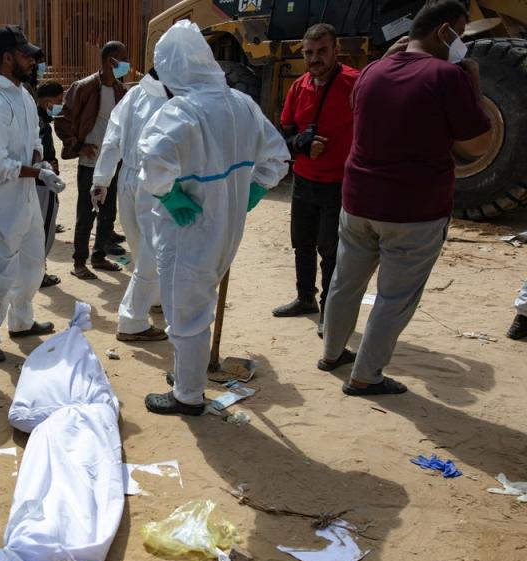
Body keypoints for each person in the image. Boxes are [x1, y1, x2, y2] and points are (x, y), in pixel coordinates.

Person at [319, 0, 492, 396]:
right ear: (444, 31)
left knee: (345, 283)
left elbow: (358, 110)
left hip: (358, 200)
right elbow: (479, 144)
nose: (461, 44)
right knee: (394, 298)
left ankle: (332, 354)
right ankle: (365, 376)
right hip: (414, 209)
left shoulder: (372, 71)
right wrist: (474, 84)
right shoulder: (446, 77)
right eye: (460, 36)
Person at [138, 21, 290, 416]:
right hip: (227, 229)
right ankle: (187, 374)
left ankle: (187, 396)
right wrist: (251, 192)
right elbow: (277, 158)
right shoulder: (243, 104)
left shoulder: (181, 111)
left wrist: (169, 195)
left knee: (185, 313)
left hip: (188, 229)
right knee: (196, 305)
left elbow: (153, 161)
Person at [0, 25, 66, 363]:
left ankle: (21, 321)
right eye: (26, 55)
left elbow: (36, 142)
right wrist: (36, 172)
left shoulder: (24, 96)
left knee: (32, 263)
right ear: (7, 57)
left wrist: (41, 164)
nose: (33, 62)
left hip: (26, 197)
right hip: (3, 201)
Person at [273, 23, 359, 337]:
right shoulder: (299, 86)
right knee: (303, 244)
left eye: (322, 51)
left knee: (331, 249)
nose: (315, 58)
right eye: (309, 52)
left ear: (336, 50)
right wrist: (301, 143)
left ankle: (330, 310)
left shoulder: (353, 83)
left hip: (338, 183)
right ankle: (305, 298)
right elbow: (286, 130)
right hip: (304, 180)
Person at [92, 69, 170, 342]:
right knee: (152, 250)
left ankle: (156, 298)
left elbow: (112, 138)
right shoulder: (177, 97)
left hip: (128, 178)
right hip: (155, 181)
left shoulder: (135, 94)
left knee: (140, 246)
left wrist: (102, 178)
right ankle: (132, 319)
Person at [55, 41, 129, 280]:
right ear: (111, 61)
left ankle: (98, 256)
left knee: (108, 211)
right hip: (90, 162)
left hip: (112, 162)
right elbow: (62, 120)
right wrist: (78, 146)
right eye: (123, 59)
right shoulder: (84, 87)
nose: (127, 64)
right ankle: (79, 261)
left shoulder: (121, 91)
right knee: (86, 213)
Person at [35, 81, 63, 288]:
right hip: (42, 182)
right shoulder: (40, 123)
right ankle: (38, 273)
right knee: (44, 229)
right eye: (58, 101)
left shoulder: (41, 119)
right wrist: (48, 165)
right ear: (47, 102)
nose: (60, 105)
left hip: (41, 178)